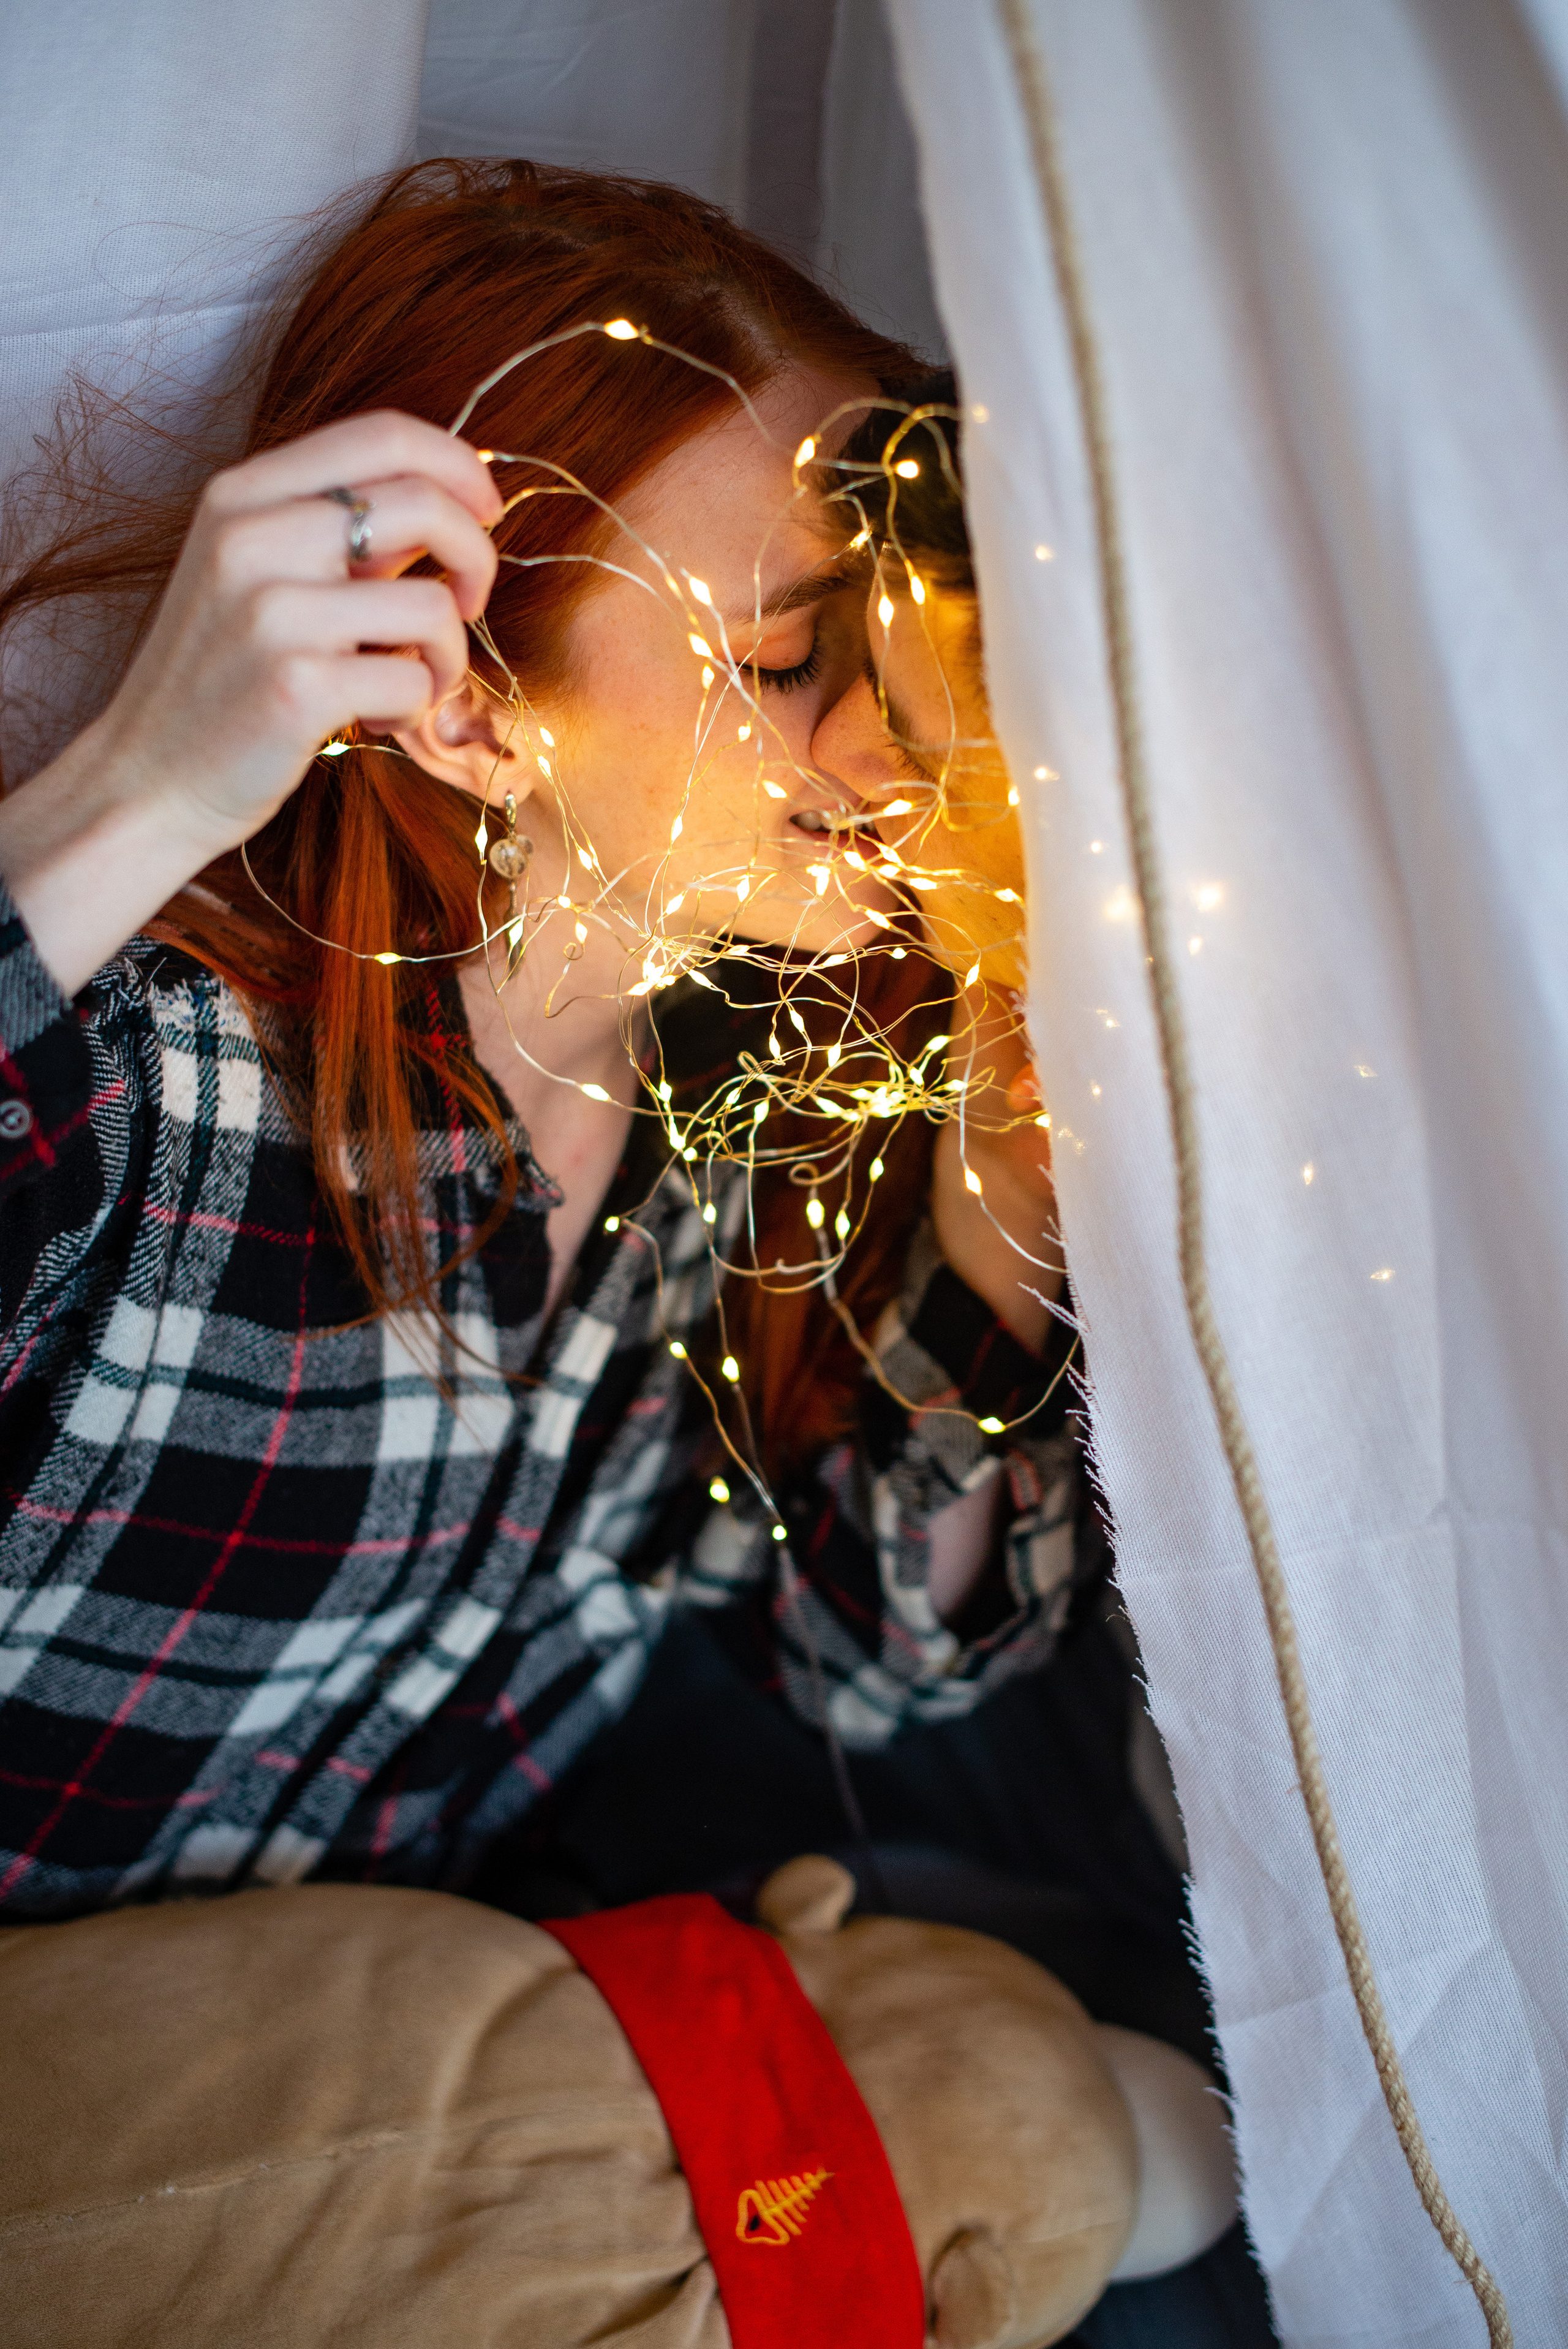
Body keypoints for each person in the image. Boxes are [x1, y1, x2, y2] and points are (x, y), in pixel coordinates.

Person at [0, 161, 1078, 1920]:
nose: (903, 743)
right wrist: (141, 783)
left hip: (405, 2094)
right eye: (796, 656)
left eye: (903, 629)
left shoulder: (741, 1132)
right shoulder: (150, 1087)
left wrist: (999, 1209)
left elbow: (880, 1661)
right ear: (469, 711)